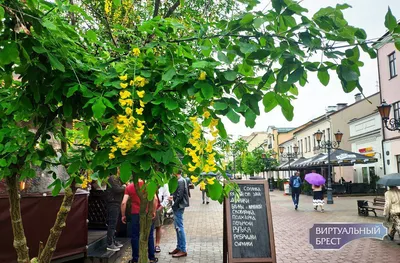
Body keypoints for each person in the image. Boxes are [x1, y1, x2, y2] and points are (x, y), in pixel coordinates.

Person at [121, 180, 158, 263]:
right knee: (149, 235)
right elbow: (155, 199)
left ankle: (135, 258)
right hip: (147, 213)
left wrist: (123, 215)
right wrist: (153, 211)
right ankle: (151, 258)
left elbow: (124, 202)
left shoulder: (130, 186)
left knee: (135, 236)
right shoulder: (149, 185)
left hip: (135, 214)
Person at [168, 170, 189, 258]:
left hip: (178, 207)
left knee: (179, 227)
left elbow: (180, 196)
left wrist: (174, 205)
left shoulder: (180, 181)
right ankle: (179, 247)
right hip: (178, 206)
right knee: (177, 227)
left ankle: (183, 249)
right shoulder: (181, 180)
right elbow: (178, 194)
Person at [106, 173, 125, 251]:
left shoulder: (117, 179)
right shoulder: (112, 178)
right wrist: (124, 187)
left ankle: (113, 241)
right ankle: (110, 244)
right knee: (112, 224)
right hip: (113, 203)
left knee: (114, 223)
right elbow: (117, 189)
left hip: (116, 203)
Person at [154, 184, 170, 253]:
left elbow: (167, 196)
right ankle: (149, 245)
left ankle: (157, 244)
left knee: (158, 226)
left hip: (158, 208)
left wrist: (161, 207)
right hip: (148, 208)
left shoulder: (164, 183)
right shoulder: (147, 179)